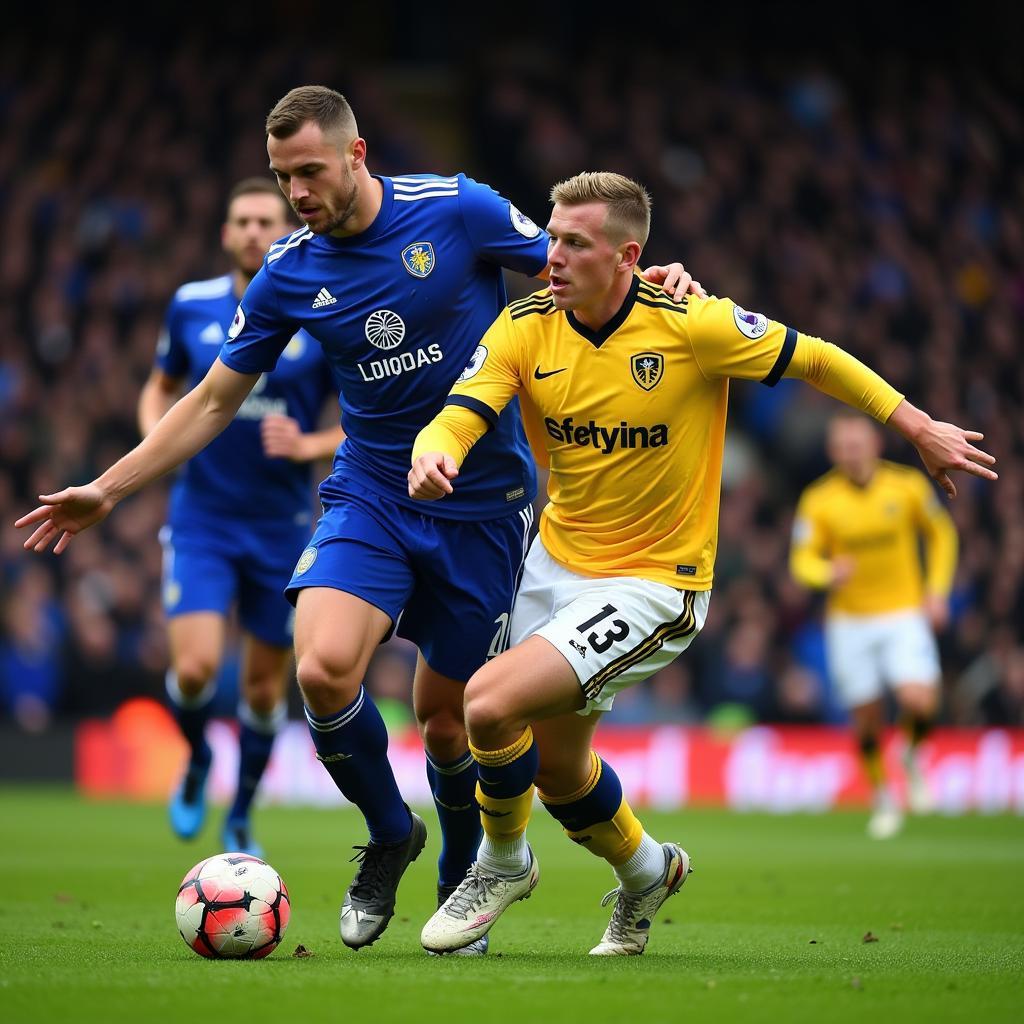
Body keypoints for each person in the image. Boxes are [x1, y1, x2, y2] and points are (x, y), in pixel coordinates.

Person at [15, 88, 699, 954]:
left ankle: (461, 879)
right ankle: (388, 833)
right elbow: (215, 398)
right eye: (280, 176)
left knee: (449, 721)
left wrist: (662, 278)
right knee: (325, 670)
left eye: (308, 171)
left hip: (484, 511)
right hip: (372, 494)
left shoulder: (456, 208)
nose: (296, 193)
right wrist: (109, 489)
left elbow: (583, 264)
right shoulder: (289, 272)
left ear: (355, 154)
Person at [407, 171, 996, 955]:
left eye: (573, 243)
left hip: (655, 583)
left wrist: (916, 426)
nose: (552, 254)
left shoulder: (694, 324)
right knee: (557, 771)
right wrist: (434, 454)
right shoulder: (525, 327)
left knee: (486, 706)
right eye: (551, 236)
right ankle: (649, 871)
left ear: (627, 256)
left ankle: (503, 863)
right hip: (555, 566)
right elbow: (458, 413)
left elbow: (816, 359)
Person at [139, 178, 344, 857]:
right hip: (202, 517)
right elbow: (163, 387)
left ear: (284, 233)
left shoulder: (319, 312)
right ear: (225, 233)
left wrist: (311, 445)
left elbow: (370, 415)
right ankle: (198, 758)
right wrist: (154, 445)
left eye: (266, 221)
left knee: (263, 686)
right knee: (195, 670)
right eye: (242, 221)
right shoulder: (190, 305)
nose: (254, 231)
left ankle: (243, 812)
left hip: (281, 525)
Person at [789, 412, 958, 838]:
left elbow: (942, 535)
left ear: (875, 446)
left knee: (919, 702)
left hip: (903, 613)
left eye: (858, 445)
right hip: (849, 623)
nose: (852, 453)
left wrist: (936, 591)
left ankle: (911, 753)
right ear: (833, 452)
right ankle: (883, 797)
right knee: (866, 719)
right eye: (844, 447)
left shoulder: (907, 487)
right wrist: (828, 573)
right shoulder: (819, 500)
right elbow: (801, 560)